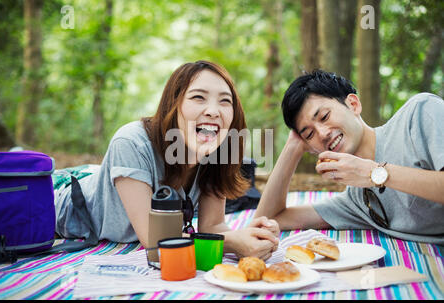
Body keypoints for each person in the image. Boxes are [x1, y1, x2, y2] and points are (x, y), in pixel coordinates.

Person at [55, 60, 279, 260]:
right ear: (173, 104)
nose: (213, 111)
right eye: (198, 97)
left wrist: (252, 237)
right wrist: (231, 243)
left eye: (225, 101)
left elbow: (214, 226)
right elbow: (154, 239)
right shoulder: (131, 142)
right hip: (68, 210)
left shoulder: (217, 150)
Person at [254, 69, 444, 245]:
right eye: (309, 134)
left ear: (353, 104)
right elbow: (267, 220)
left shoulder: (419, 113)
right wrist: (292, 147)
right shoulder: (358, 200)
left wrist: (374, 173)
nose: (322, 133)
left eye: (324, 116)